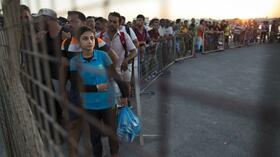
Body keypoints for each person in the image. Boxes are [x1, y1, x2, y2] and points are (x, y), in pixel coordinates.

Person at [68, 26, 128, 157]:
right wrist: (96, 88)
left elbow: (115, 76)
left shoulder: (103, 56)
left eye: (91, 38)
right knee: (95, 138)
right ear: (79, 43)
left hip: (108, 103)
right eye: (85, 39)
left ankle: (114, 154)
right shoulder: (74, 62)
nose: (89, 41)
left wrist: (125, 94)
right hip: (89, 106)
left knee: (112, 133)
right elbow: (76, 86)